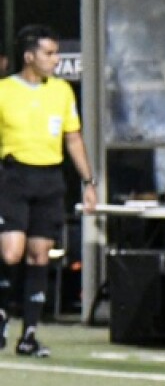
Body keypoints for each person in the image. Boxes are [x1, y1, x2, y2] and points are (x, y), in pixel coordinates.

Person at [0, 25, 98, 357]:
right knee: (10, 253)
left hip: (49, 180)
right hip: (13, 177)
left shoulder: (61, 92)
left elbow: (73, 138)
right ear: (29, 56)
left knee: (39, 255)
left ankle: (28, 334)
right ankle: (2, 312)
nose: (55, 60)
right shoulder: (4, 91)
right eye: (49, 53)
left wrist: (88, 181)